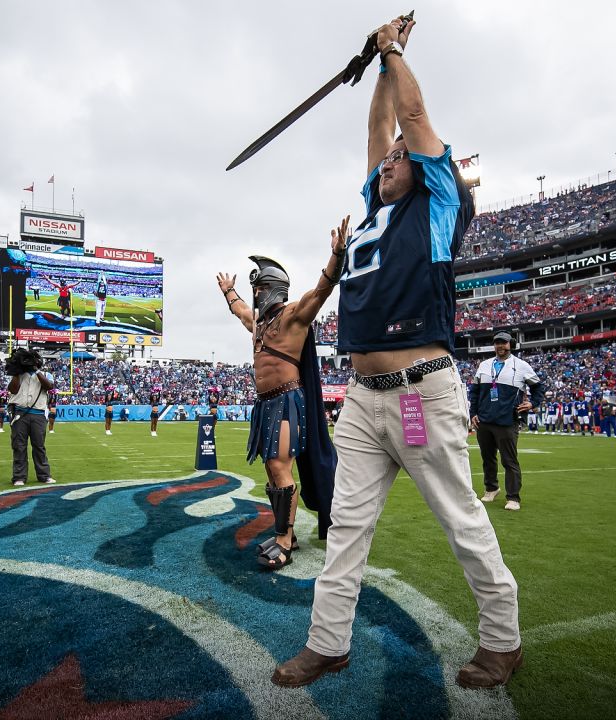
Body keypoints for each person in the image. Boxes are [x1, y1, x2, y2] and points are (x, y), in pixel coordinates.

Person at [272, 15, 521, 691]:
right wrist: (378, 70)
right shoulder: (377, 207)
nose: (389, 161)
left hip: (421, 390)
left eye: (401, 158)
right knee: (346, 526)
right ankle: (328, 643)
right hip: (361, 398)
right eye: (386, 160)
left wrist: (395, 52)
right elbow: (380, 129)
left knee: (461, 519)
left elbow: (411, 116)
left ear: (428, 167)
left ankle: (503, 639)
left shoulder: (439, 203)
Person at [217, 228, 343, 570]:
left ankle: (286, 540)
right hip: (265, 405)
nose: (255, 295)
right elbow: (240, 310)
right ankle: (284, 531)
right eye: (254, 289)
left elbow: (322, 290)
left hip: (288, 400)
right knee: (271, 474)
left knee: (279, 467)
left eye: (259, 289)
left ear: (273, 289)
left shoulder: (292, 317)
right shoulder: (258, 322)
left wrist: (337, 255)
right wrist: (230, 291)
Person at [469, 332, 544, 512]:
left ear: (510, 344)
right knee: (487, 458)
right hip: (485, 419)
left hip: (507, 420)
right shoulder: (484, 365)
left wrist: (533, 403)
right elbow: (475, 392)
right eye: (497, 343)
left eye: (503, 343)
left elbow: (538, 386)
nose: (500, 346)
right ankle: (492, 488)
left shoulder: (522, 366)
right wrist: (473, 413)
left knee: (509, 460)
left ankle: (513, 497)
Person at [7, 361, 55, 487]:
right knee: (19, 446)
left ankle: (44, 475)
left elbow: (49, 386)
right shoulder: (18, 375)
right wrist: (17, 372)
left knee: (39, 446)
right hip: (20, 413)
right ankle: (19, 477)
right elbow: (12, 389)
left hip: (38, 414)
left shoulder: (46, 374)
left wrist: (37, 371)